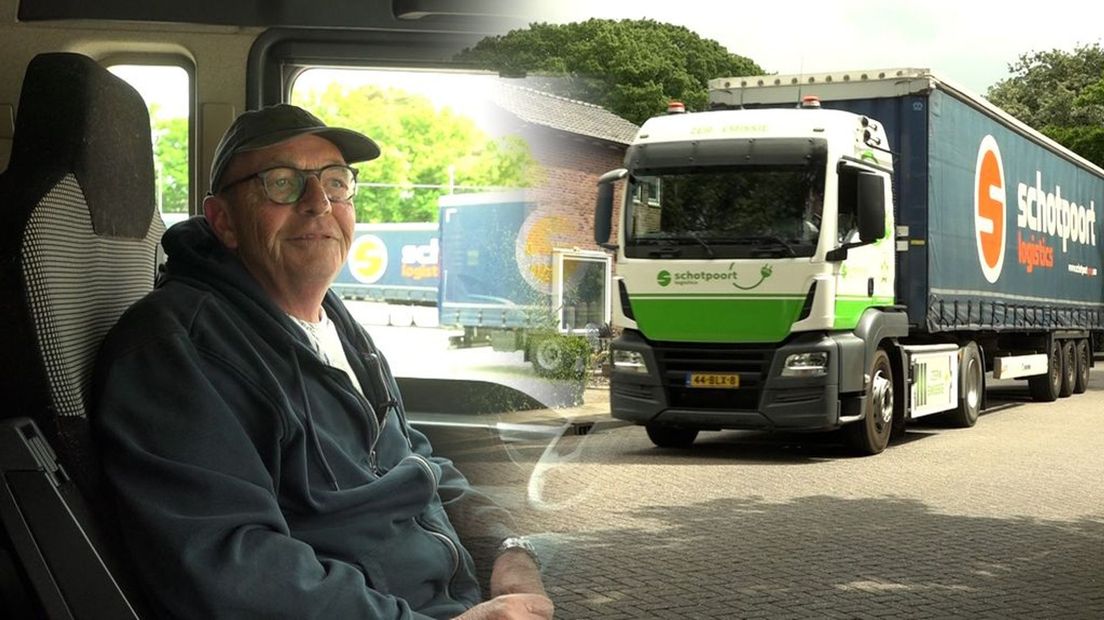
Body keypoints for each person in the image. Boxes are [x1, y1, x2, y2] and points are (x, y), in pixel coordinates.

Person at [93, 104, 553, 620]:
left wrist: (509, 549)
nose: (318, 203)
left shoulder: (332, 319)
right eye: (282, 182)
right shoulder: (174, 351)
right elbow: (232, 566)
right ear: (224, 220)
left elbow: (414, 459)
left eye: (336, 182)